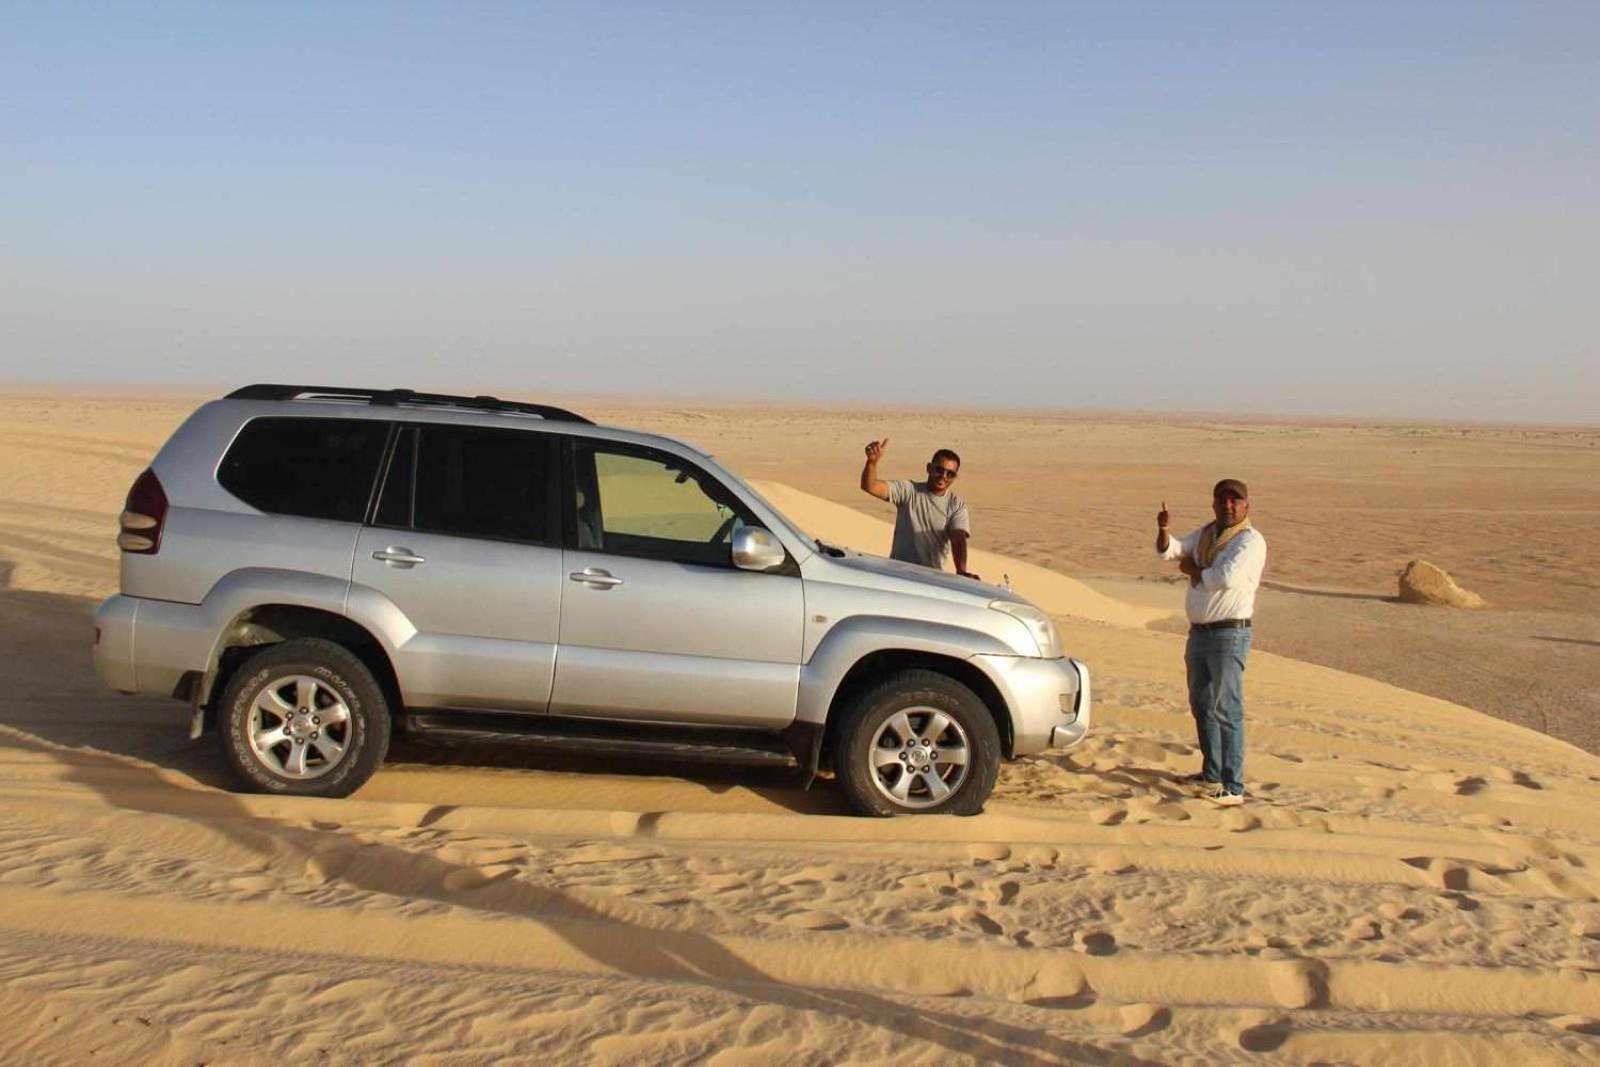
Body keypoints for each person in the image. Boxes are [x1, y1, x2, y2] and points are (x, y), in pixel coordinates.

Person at [1155, 478, 1267, 806]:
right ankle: (1212, 772)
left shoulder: (1249, 541)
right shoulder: (1207, 534)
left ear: (1246, 506)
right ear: (1214, 503)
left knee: (1226, 707)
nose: (1228, 505)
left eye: (1235, 500)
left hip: (1229, 634)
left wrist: (1192, 569)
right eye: (1223, 499)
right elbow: (1173, 551)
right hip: (1200, 633)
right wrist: (1164, 531)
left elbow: (1225, 578)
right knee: (1201, 703)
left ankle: (1233, 786)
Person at [859, 438, 977, 578]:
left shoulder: (956, 505)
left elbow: (958, 538)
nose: (943, 476)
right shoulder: (908, 491)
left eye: (950, 474)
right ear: (929, 468)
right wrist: (872, 462)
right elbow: (870, 486)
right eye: (939, 470)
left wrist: (961, 570)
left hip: (930, 579)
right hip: (897, 574)